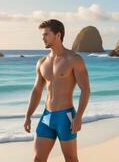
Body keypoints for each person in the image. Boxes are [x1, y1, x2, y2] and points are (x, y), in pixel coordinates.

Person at [24, 19, 91, 162]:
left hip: (65, 117)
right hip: (47, 116)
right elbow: (37, 90)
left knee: (71, 158)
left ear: (58, 35)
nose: (43, 38)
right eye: (42, 35)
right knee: (37, 159)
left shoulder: (74, 59)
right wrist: (28, 114)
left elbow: (85, 89)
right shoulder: (42, 62)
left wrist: (79, 116)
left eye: (46, 34)